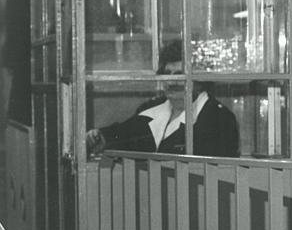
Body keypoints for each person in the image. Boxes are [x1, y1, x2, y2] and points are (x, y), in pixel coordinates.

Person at [86, 40, 239, 158]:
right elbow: (125, 133)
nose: (172, 82)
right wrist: (100, 137)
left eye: (180, 75)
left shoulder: (219, 119)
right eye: (168, 74)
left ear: (199, 79)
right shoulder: (152, 109)